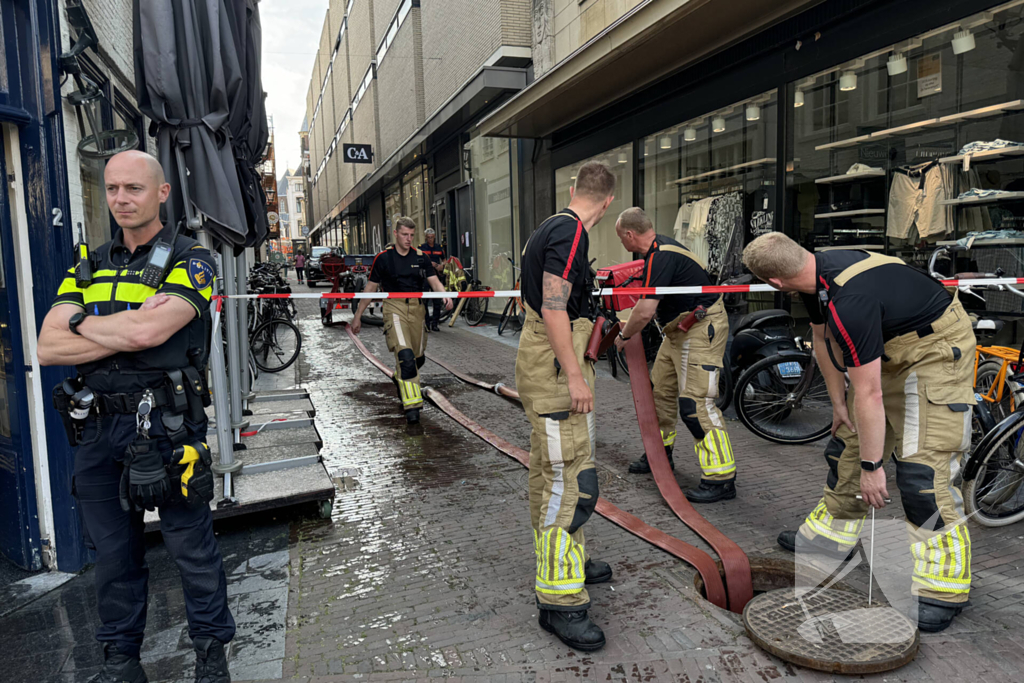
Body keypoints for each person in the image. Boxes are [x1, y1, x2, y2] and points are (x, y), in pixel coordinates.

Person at [37, 150, 234, 683]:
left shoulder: (192, 259)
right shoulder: (87, 263)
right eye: (113, 189)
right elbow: (46, 347)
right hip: (98, 430)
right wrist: (122, 327)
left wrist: (81, 322)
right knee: (113, 558)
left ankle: (212, 659)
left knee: (191, 549)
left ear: (162, 194)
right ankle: (121, 662)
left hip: (167, 429)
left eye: (135, 189)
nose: (121, 199)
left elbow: (149, 333)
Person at [742, 232, 975, 632]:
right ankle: (830, 538)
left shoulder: (850, 302)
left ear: (774, 283)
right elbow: (822, 338)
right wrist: (837, 405)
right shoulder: (817, 276)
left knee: (923, 474)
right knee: (847, 444)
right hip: (892, 345)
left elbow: (868, 391)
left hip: (935, 350)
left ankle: (944, 588)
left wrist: (873, 467)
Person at [515, 161, 616, 652]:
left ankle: (564, 560)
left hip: (543, 361)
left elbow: (530, 300)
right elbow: (555, 307)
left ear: (573, 187)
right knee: (572, 482)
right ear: (608, 202)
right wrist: (573, 373)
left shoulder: (547, 228)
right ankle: (560, 601)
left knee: (549, 471)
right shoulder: (572, 233)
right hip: (557, 369)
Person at [613, 208, 738, 503]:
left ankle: (721, 478)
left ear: (630, 235)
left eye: (621, 237)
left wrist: (623, 336)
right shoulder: (656, 254)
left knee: (695, 403)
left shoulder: (662, 255)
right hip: (678, 329)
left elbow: (644, 311)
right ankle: (660, 454)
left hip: (699, 327)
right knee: (661, 391)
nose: (622, 243)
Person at [350, 217, 452, 424]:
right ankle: (412, 407)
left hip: (417, 310)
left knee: (417, 359)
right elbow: (370, 288)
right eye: (405, 235)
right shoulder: (383, 259)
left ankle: (400, 378)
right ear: (395, 234)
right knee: (406, 358)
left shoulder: (421, 257)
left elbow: (433, 280)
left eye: (412, 235)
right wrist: (358, 315)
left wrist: (445, 294)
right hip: (393, 308)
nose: (408, 239)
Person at [419, 228, 447, 331]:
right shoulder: (421, 248)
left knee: (437, 301)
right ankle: (426, 323)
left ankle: (435, 324)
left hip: (436, 276)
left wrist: (441, 266)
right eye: (428, 237)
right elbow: (418, 261)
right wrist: (429, 263)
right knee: (425, 301)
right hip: (426, 277)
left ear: (434, 237)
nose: (430, 239)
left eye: (432, 237)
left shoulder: (439, 247)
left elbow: (444, 260)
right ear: (426, 237)